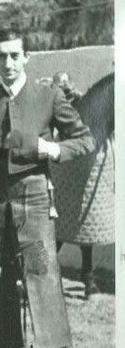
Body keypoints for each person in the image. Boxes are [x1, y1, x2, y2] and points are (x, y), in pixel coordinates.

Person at [0, 28, 95, 348]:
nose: (8, 63)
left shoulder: (48, 96)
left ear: (27, 57)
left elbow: (83, 140)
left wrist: (47, 147)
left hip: (35, 201)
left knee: (42, 279)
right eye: (1, 56)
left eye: (15, 55)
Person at [50, 71, 114, 300]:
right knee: (58, 216)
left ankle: (88, 276)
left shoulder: (81, 102)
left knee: (88, 219)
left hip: (89, 159)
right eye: (62, 86)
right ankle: (44, 272)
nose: (65, 89)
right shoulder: (56, 105)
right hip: (59, 159)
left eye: (67, 86)